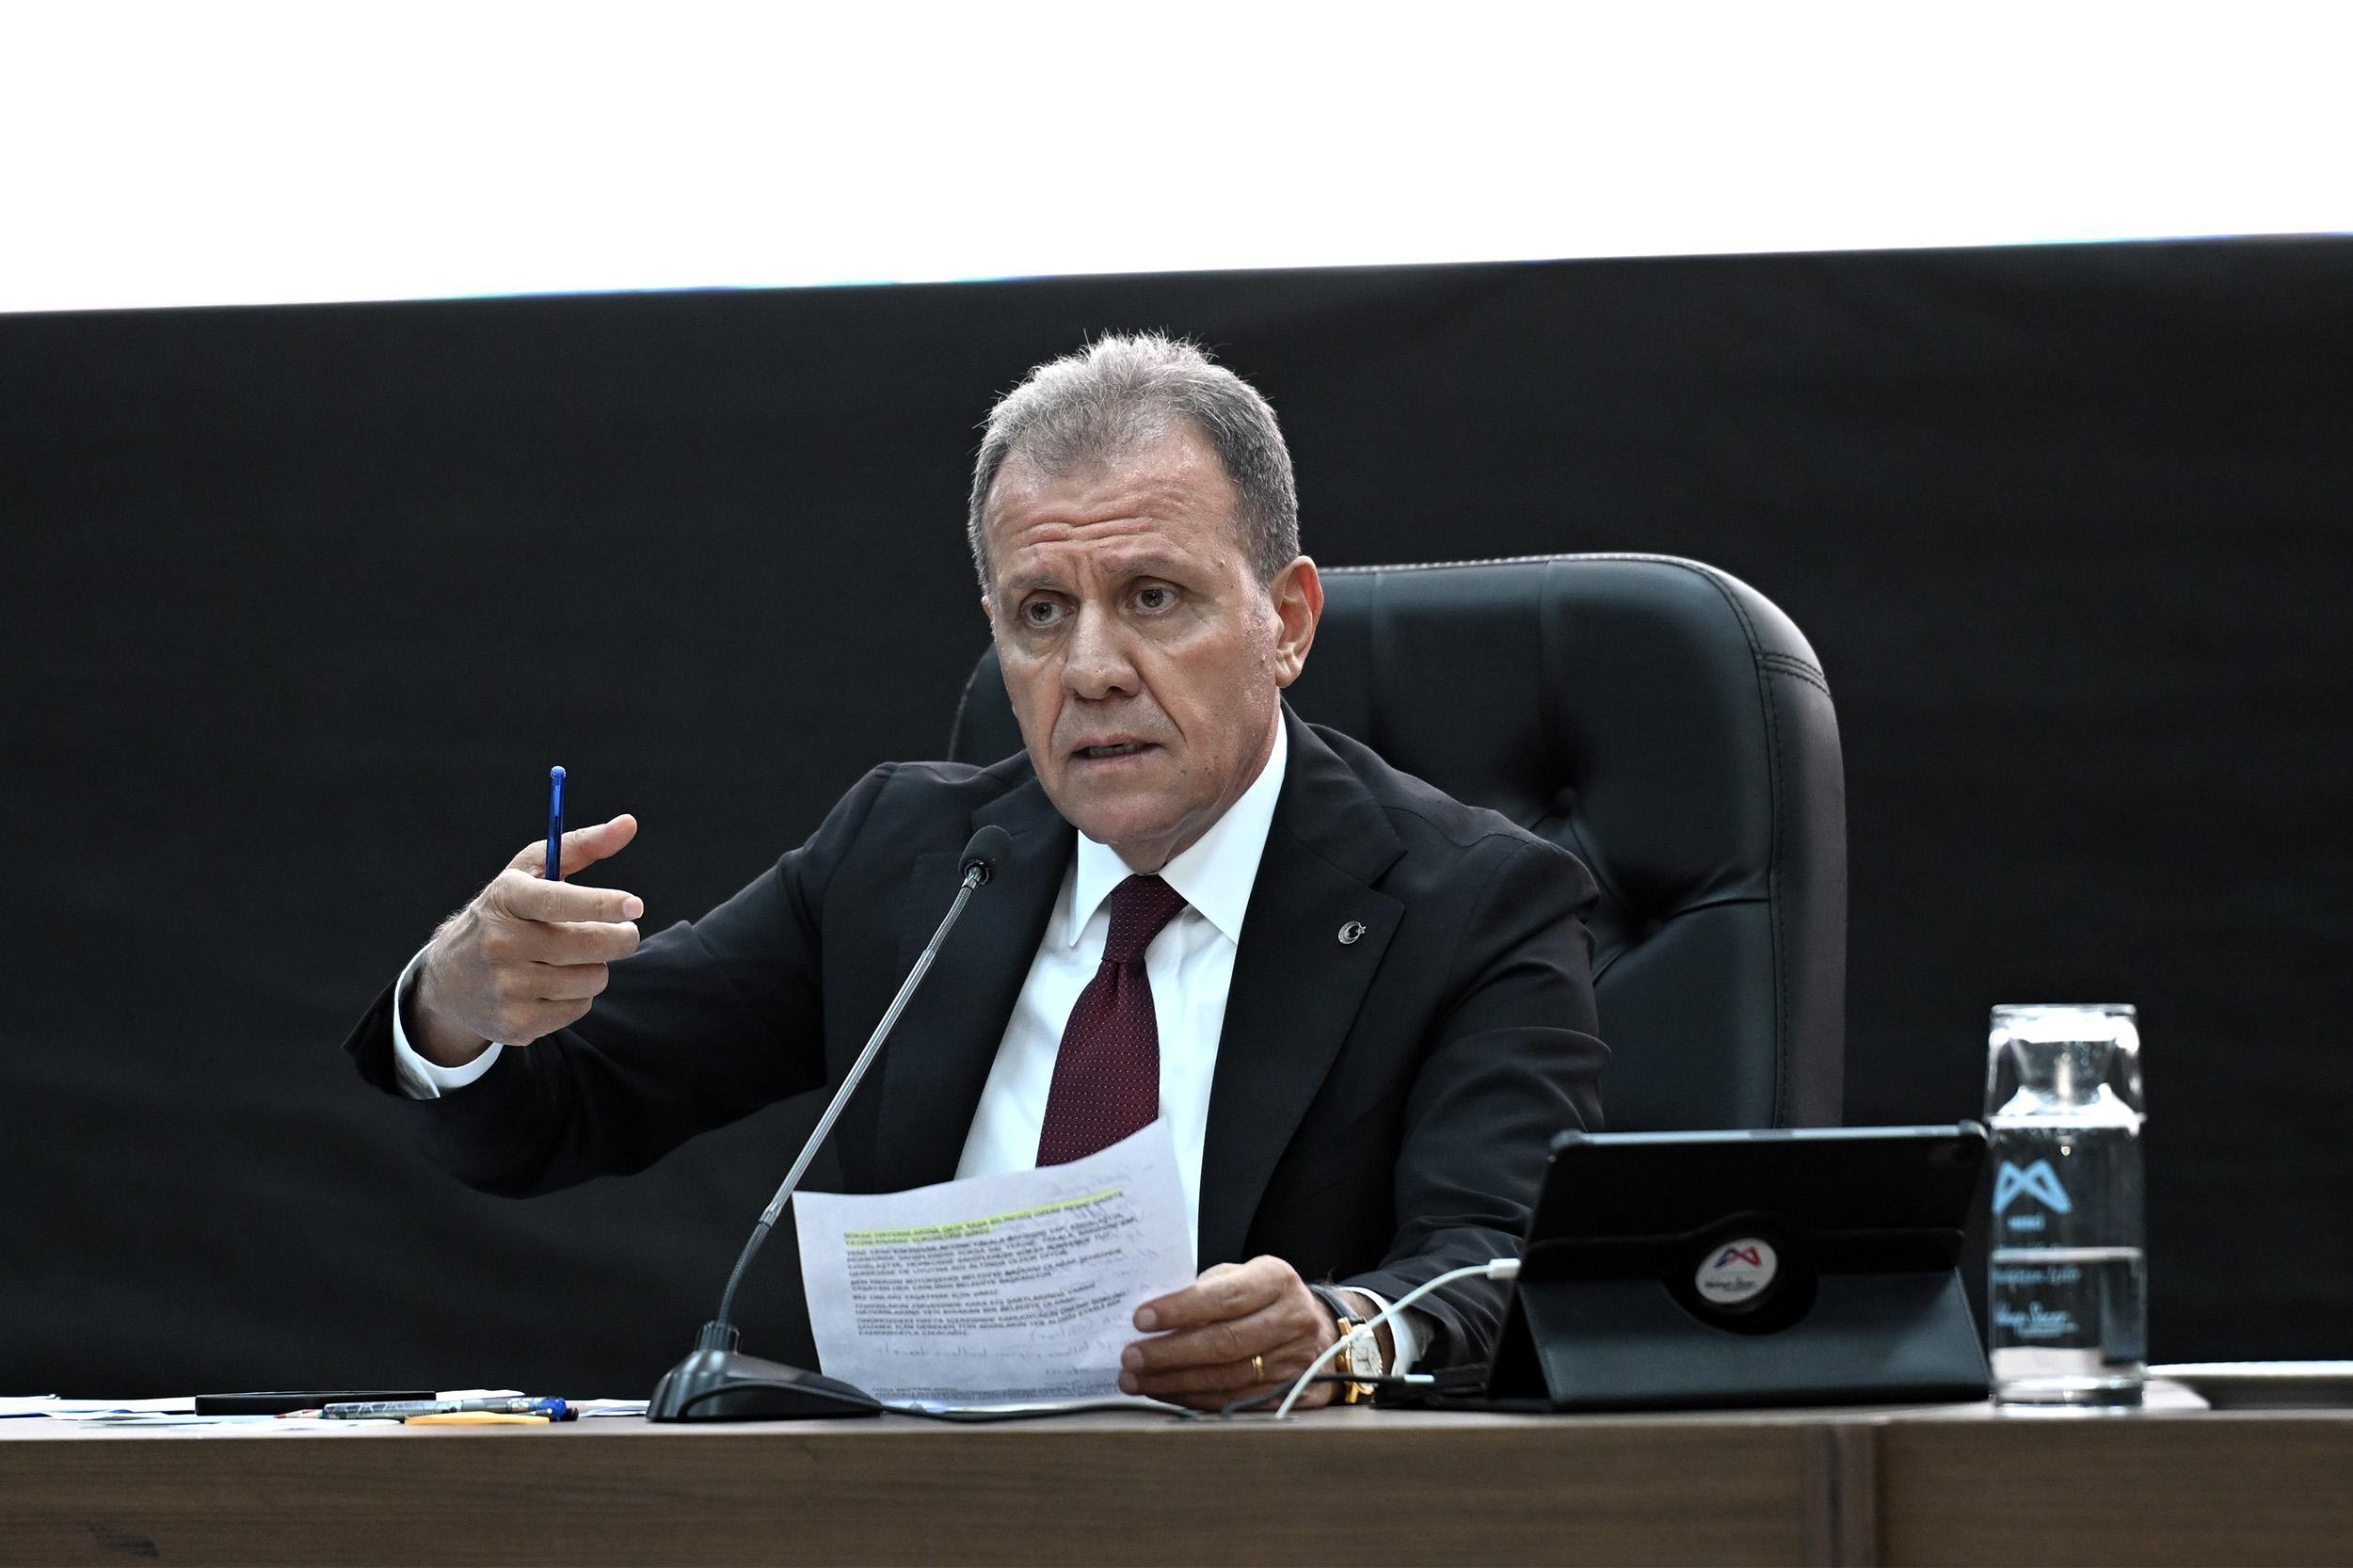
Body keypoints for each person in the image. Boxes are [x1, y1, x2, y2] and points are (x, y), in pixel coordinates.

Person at [345, 333, 1607, 1411]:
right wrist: (458, 1002)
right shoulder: (909, 857)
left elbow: (1501, 1264)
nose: (1092, 669)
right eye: (1041, 612)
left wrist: (1342, 1332)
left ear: (1285, 620)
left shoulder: (1471, 904)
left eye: (1153, 597)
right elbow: (557, 1107)